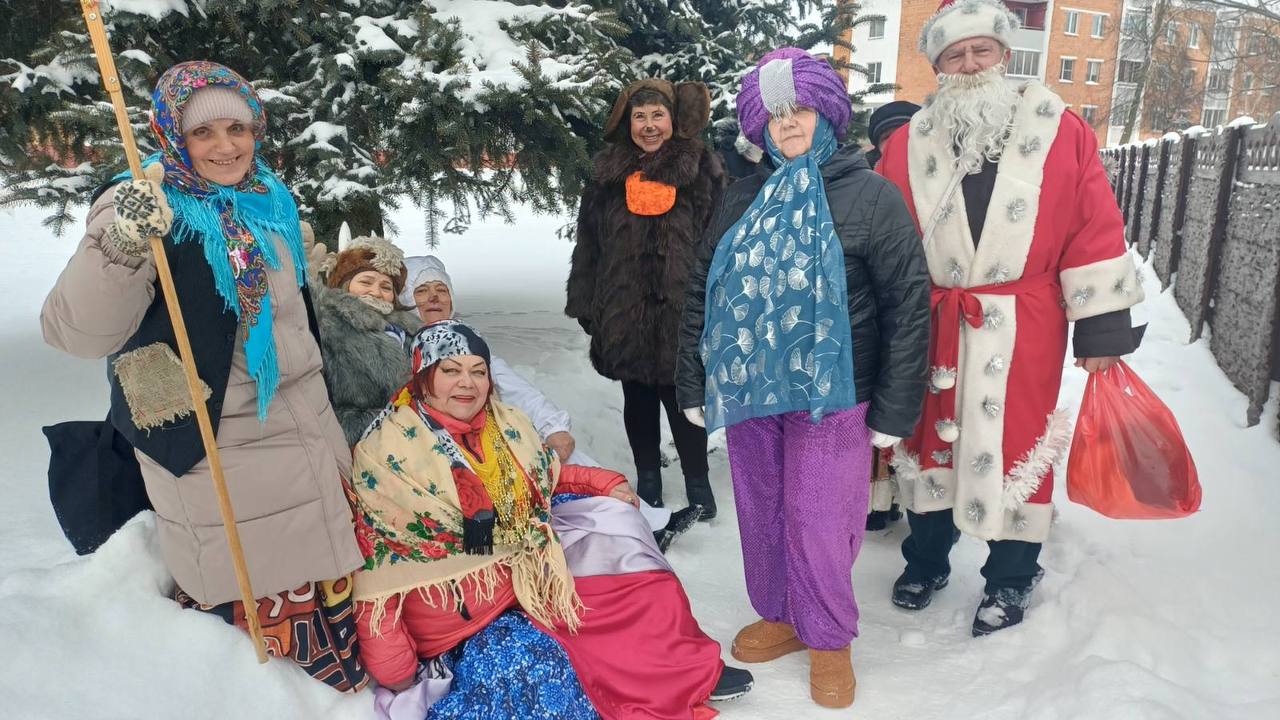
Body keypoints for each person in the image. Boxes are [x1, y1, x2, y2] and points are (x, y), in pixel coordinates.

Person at [40, 61, 365, 690]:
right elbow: (76, 332)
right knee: (257, 631)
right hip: (215, 441)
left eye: (237, 128)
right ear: (172, 135)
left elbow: (294, 324)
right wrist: (124, 244)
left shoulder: (268, 199)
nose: (225, 146)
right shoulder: (144, 201)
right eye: (203, 132)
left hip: (309, 429)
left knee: (332, 580)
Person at [876, 0, 1146, 636]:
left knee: (1019, 444)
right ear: (938, 66)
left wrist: (1101, 328)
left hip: (1026, 324)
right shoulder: (906, 142)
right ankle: (926, 560)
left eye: (982, 50)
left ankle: (1011, 576)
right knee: (930, 439)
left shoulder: (1059, 128)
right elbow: (881, 239)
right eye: (955, 54)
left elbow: (1093, 226)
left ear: (1003, 54)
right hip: (933, 321)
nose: (970, 64)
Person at [676, 48, 931, 708]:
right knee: (761, 507)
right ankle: (783, 615)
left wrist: (895, 408)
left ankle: (828, 636)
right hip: (751, 387)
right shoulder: (742, 196)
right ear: (758, 127)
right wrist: (693, 382)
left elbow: (907, 306)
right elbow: (704, 292)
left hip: (836, 392)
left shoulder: (872, 197)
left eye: (800, 110)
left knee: (819, 517)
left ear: (829, 114)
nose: (787, 123)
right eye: (774, 115)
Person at [349, 321, 754, 716]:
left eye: (478, 371)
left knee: (633, 566)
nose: (467, 383)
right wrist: (399, 675)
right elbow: (377, 583)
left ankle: (691, 672)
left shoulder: (503, 424)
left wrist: (604, 482)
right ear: (423, 378)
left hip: (525, 574)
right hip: (462, 623)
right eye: (451, 371)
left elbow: (546, 474)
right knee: (540, 671)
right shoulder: (388, 454)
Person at [401, 256, 702, 551]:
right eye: (422, 291)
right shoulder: (401, 343)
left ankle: (647, 523)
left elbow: (513, 386)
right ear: (405, 301)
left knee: (563, 457)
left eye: (441, 290)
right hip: (435, 446)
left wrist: (552, 426)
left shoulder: (466, 339)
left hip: (485, 433)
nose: (434, 298)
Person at [566, 79, 727, 518]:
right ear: (628, 122)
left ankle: (698, 482)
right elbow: (589, 243)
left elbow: (720, 241)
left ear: (674, 119)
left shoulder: (701, 170)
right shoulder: (608, 175)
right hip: (624, 308)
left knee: (683, 400)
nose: (649, 125)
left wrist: (717, 304)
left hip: (684, 311)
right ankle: (648, 479)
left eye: (658, 115)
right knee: (637, 399)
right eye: (640, 116)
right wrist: (585, 302)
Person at [314, 235, 423, 446]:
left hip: (414, 438)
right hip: (354, 441)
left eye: (386, 287)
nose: (376, 292)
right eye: (365, 282)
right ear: (344, 284)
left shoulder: (412, 331)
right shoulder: (326, 322)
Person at [864, 101, 921, 169]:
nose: (896, 140)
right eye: (887, 136)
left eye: (905, 134)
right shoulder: (864, 173)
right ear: (878, 147)